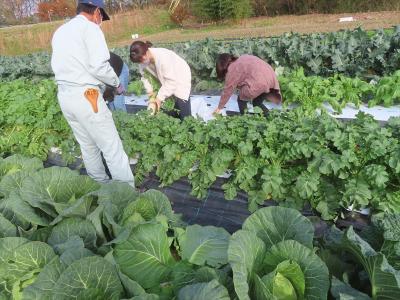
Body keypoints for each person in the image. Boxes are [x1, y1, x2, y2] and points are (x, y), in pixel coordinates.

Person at [51, 0, 134, 187]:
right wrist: (117, 84)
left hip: (65, 96)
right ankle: (126, 195)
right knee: (112, 149)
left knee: (88, 147)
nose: (100, 22)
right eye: (101, 17)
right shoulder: (90, 28)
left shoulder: (61, 31)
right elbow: (99, 66)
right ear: (97, 11)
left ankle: (99, 186)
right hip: (87, 96)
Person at [129, 41, 192, 120]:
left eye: (142, 59)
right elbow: (145, 77)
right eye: (139, 61)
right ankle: (175, 119)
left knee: (183, 108)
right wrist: (150, 93)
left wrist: (159, 98)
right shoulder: (142, 61)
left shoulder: (163, 57)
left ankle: (189, 127)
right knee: (169, 107)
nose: (142, 62)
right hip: (166, 79)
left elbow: (171, 82)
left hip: (180, 76)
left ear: (147, 51)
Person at [213, 54, 282, 116]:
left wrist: (219, 107)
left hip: (260, 82)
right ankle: (268, 115)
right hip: (271, 78)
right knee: (257, 103)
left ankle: (244, 117)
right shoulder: (242, 58)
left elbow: (227, 90)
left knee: (241, 98)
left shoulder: (231, 69)